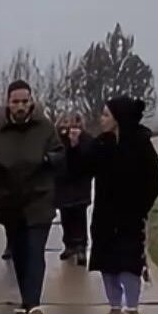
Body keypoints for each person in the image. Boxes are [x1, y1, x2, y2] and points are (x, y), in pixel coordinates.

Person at [64, 96, 158, 314]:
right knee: (108, 266)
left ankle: (132, 312)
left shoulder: (141, 144)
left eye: (106, 115)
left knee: (129, 265)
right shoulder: (101, 144)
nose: (102, 119)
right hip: (105, 217)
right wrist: (74, 147)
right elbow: (80, 170)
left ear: (118, 118)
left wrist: (142, 207)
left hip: (131, 217)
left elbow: (154, 178)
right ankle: (115, 312)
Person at [0, 80, 64, 314]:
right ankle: (27, 300)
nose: (20, 106)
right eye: (15, 101)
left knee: (35, 250)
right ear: (8, 102)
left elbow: (60, 154)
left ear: (31, 102)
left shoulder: (45, 127)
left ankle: (33, 302)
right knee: (19, 252)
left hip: (39, 198)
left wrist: (47, 159)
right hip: (10, 199)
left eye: (24, 101)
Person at [54, 112, 93, 266]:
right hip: (63, 184)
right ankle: (69, 245)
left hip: (80, 185)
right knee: (66, 217)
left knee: (80, 217)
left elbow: (87, 160)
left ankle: (81, 246)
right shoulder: (57, 140)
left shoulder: (86, 139)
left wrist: (76, 144)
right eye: (65, 122)